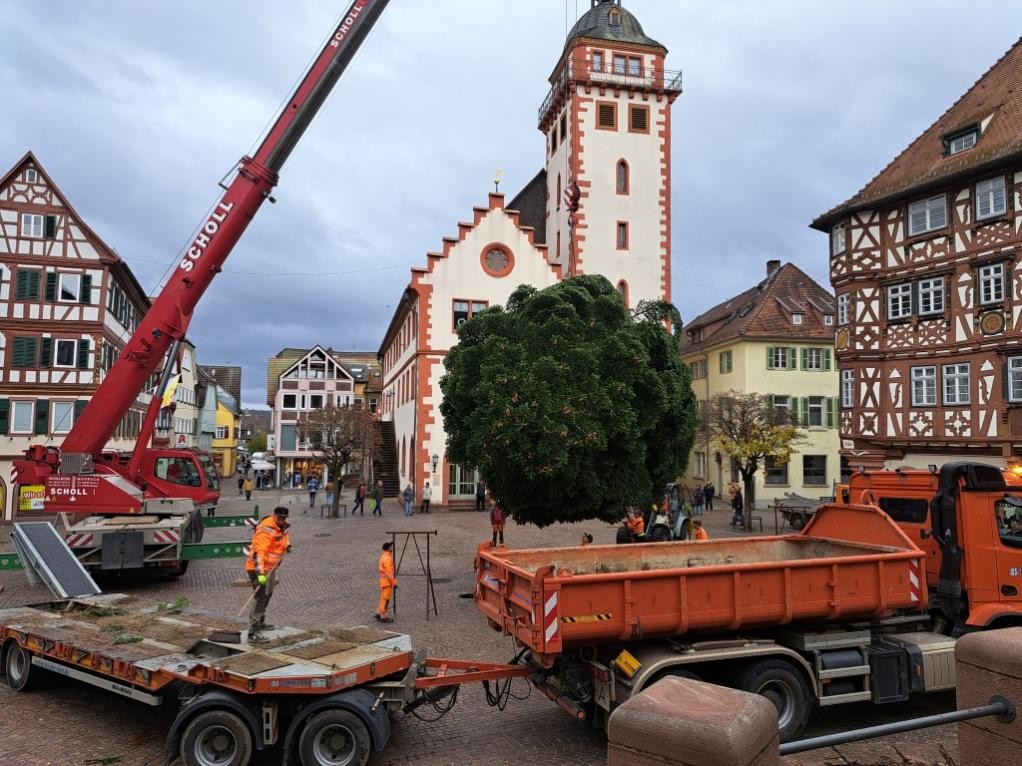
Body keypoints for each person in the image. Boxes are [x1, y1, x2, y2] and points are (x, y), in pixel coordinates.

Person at [245, 506, 292, 642]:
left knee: (268, 593)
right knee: (260, 597)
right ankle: (252, 633)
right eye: (280, 518)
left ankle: (260, 622)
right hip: (258, 568)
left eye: (284, 518)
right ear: (274, 515)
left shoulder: (282, 526)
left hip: (271, 568)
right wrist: (260, 574)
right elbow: (259, 554)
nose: (282, 521)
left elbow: (285, 536)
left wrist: (288, 545)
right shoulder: (266, 530)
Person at [375, 541, 397, 622]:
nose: (392, 547)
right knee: (386, 599)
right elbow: (389, 573)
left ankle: (379, 612)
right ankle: (383, 616)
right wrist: (394, 582)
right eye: (391, 546)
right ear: (389, 548)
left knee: (383, 597)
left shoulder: (383, 556)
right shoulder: (387, 559)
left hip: (383, 581)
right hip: (387, 582)